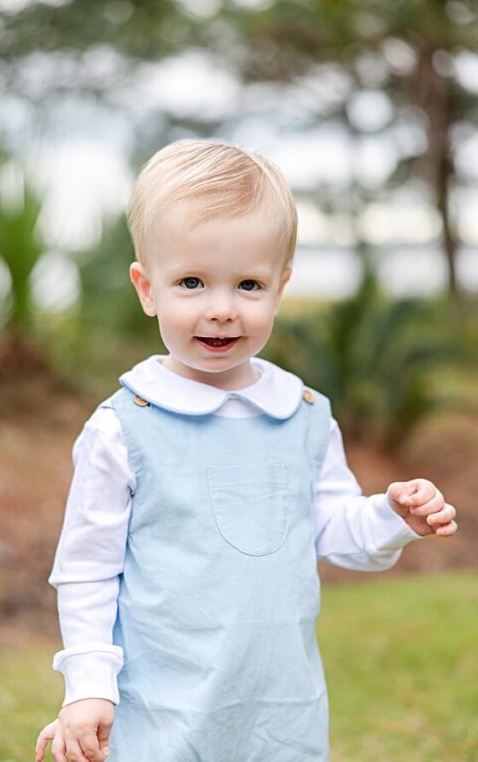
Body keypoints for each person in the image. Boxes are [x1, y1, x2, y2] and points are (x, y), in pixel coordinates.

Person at [34, 140, 458, 762]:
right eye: (192, 282)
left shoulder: (305, 414)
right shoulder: (126, 427)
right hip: (164, 707)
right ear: (147, 288)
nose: (222, 309)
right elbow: (88, 567)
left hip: (279, 709)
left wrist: (391, 518)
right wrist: (89, 685)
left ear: (280, 288)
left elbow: (334, 529)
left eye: (249, 284)